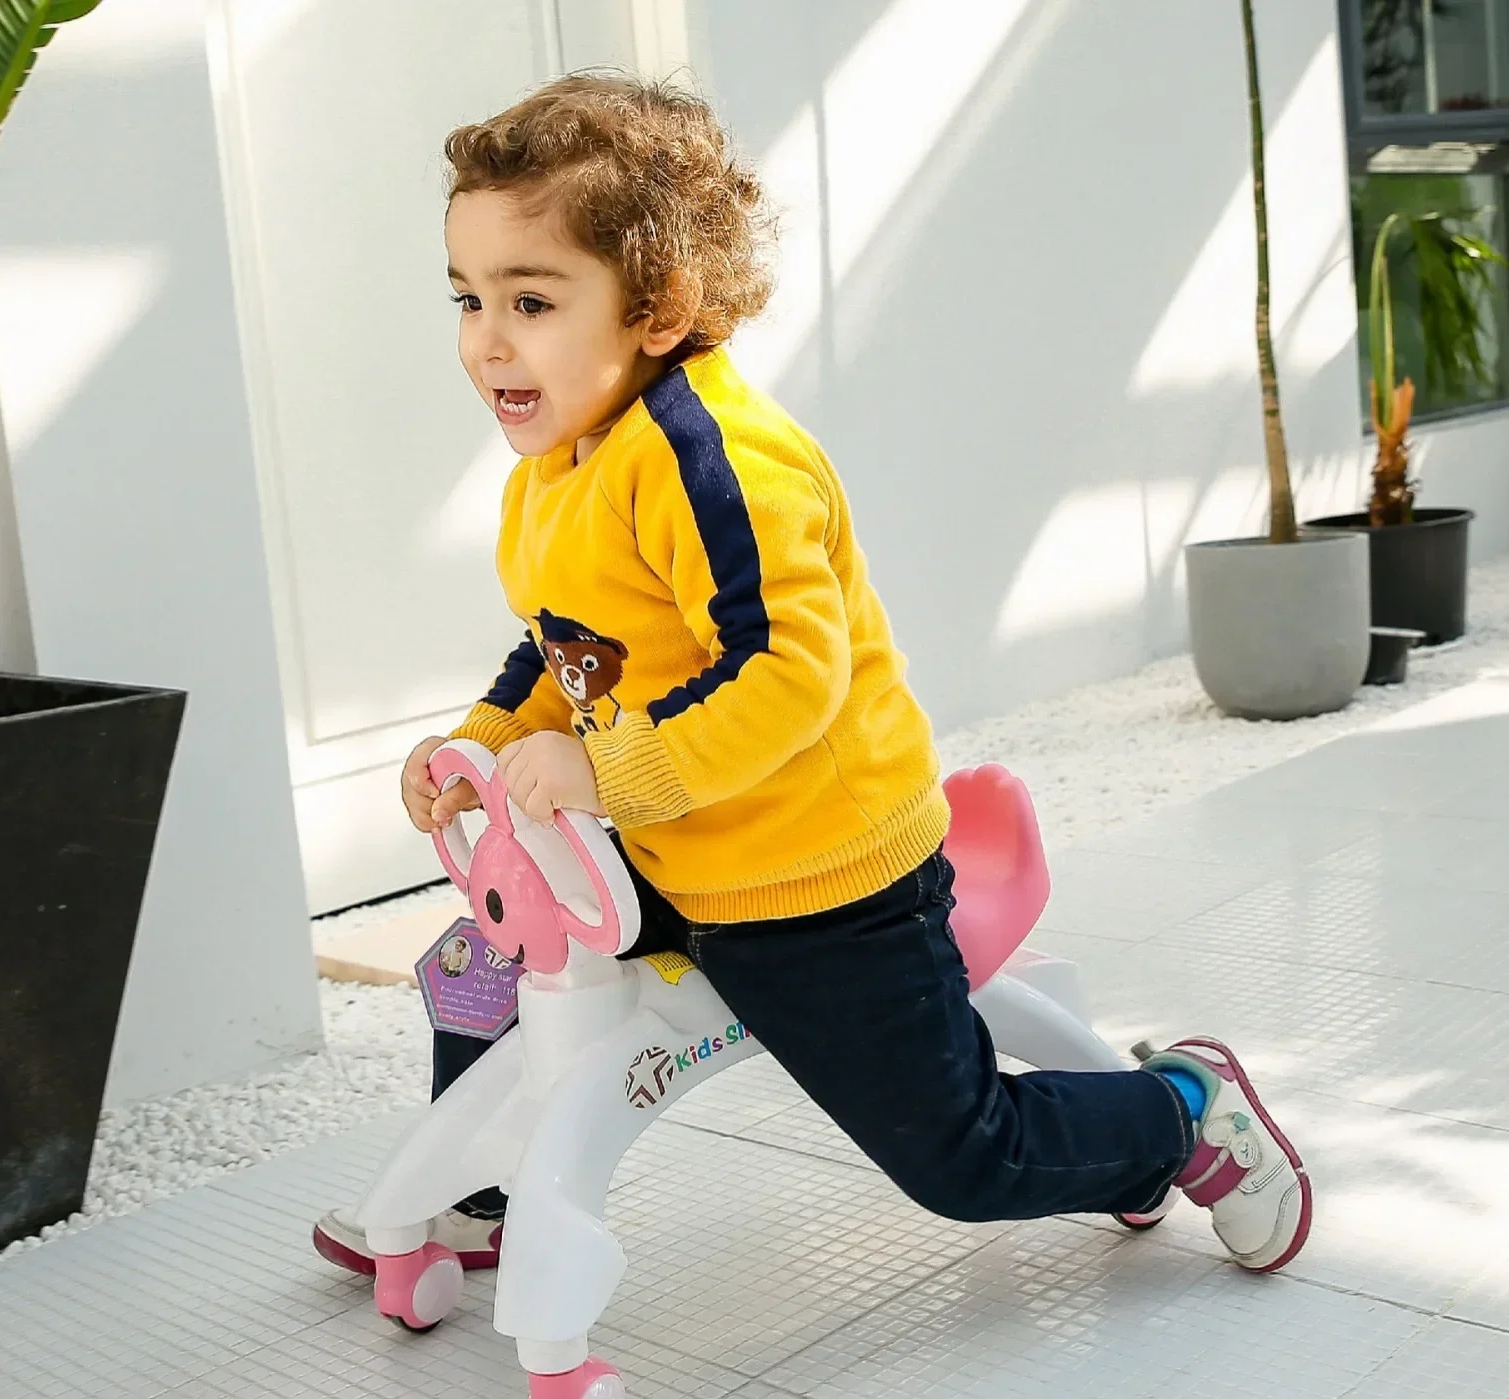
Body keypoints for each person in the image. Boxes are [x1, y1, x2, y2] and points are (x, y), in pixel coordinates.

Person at [313, 72, 1311, 1281]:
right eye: (469, 297)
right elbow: (564, 649)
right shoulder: (554, 464)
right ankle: (482, 1188)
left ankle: (1179, 1112)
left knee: (961, 1157)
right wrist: (478, 742)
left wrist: (598, 766)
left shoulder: (710, 461)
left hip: (812, 870)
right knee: (484, 955)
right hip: (680, 835)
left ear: (661, 305)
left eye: (531, 298)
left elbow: (788, 670)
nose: (487, 340)